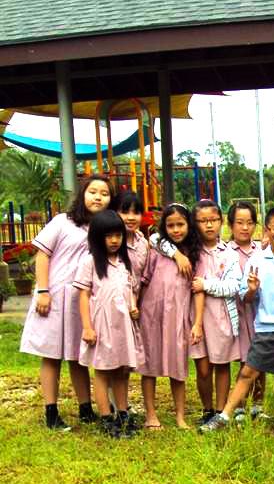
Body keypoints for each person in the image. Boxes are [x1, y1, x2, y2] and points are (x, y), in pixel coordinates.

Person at [199, 206, 274, 436]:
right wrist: (252, 289)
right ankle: (223, 416)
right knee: (248, 372)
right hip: (267, 327)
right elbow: (245, 297)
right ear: (267, 230)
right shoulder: (257, 260)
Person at [20, 174, 114, 430]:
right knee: (51, 355)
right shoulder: (63, 222)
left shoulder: (105, 229)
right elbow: (43, 255)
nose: (98, 197)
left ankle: (86, 409)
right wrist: (42, 290)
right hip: (54, 296)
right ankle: (51, 413)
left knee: (78, 354)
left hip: (83, 301)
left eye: (104, 193)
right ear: (83, 194)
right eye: (93, 191)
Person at [73, 210, 140, 438]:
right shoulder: (89, 262)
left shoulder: (124, 262)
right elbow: (83, 296)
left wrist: (133, 306)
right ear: (97, 237)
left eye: (118, 235)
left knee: (122, 371)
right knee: (102, 371)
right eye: (108, 236)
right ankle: (106, 418)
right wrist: (87, 327)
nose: (114, 240)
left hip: (123, 326)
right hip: (102, 326)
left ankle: (123, 413)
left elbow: (130, 289)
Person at [138, 204, 202, 429]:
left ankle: (180, 416)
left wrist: (196, 322)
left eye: (180, 224)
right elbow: (144, 282)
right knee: (149, 365)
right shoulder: (157, 251)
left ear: (189, 225)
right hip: (151, 316)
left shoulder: (195, 254)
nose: (176, 230)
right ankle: (151, 415)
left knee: (178, 367)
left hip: (178, 318)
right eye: (171, 225)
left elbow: (197, 290)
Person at [189, 199, 241, 423]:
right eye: (202, 221)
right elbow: (157, 238)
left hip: (221, 317)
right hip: (195, 317)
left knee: (221, 365)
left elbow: (234, 287)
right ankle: (207, 409)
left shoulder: (229, 254)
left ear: (221, 222)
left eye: (213, 220)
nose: (208, 225)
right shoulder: (189, 251)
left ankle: (220, 412)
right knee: (202, 368)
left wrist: (206, 285)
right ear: (194, 223)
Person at [226, 200, 265, 417]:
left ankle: (258, 406)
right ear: (230, 225)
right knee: (244, 361)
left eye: (249, 222)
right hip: (238, 313)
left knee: (261, 359)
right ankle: (240, 406)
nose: (244, 227)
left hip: (260, 312)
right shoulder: (225, 251)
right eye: (239, 222)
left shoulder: (261, 250)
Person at [114, 191, 148, 293]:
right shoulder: (110, 244)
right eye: (125, 212)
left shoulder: (143, 243)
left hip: (137, 304)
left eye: (136, 213)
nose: (131, 218)